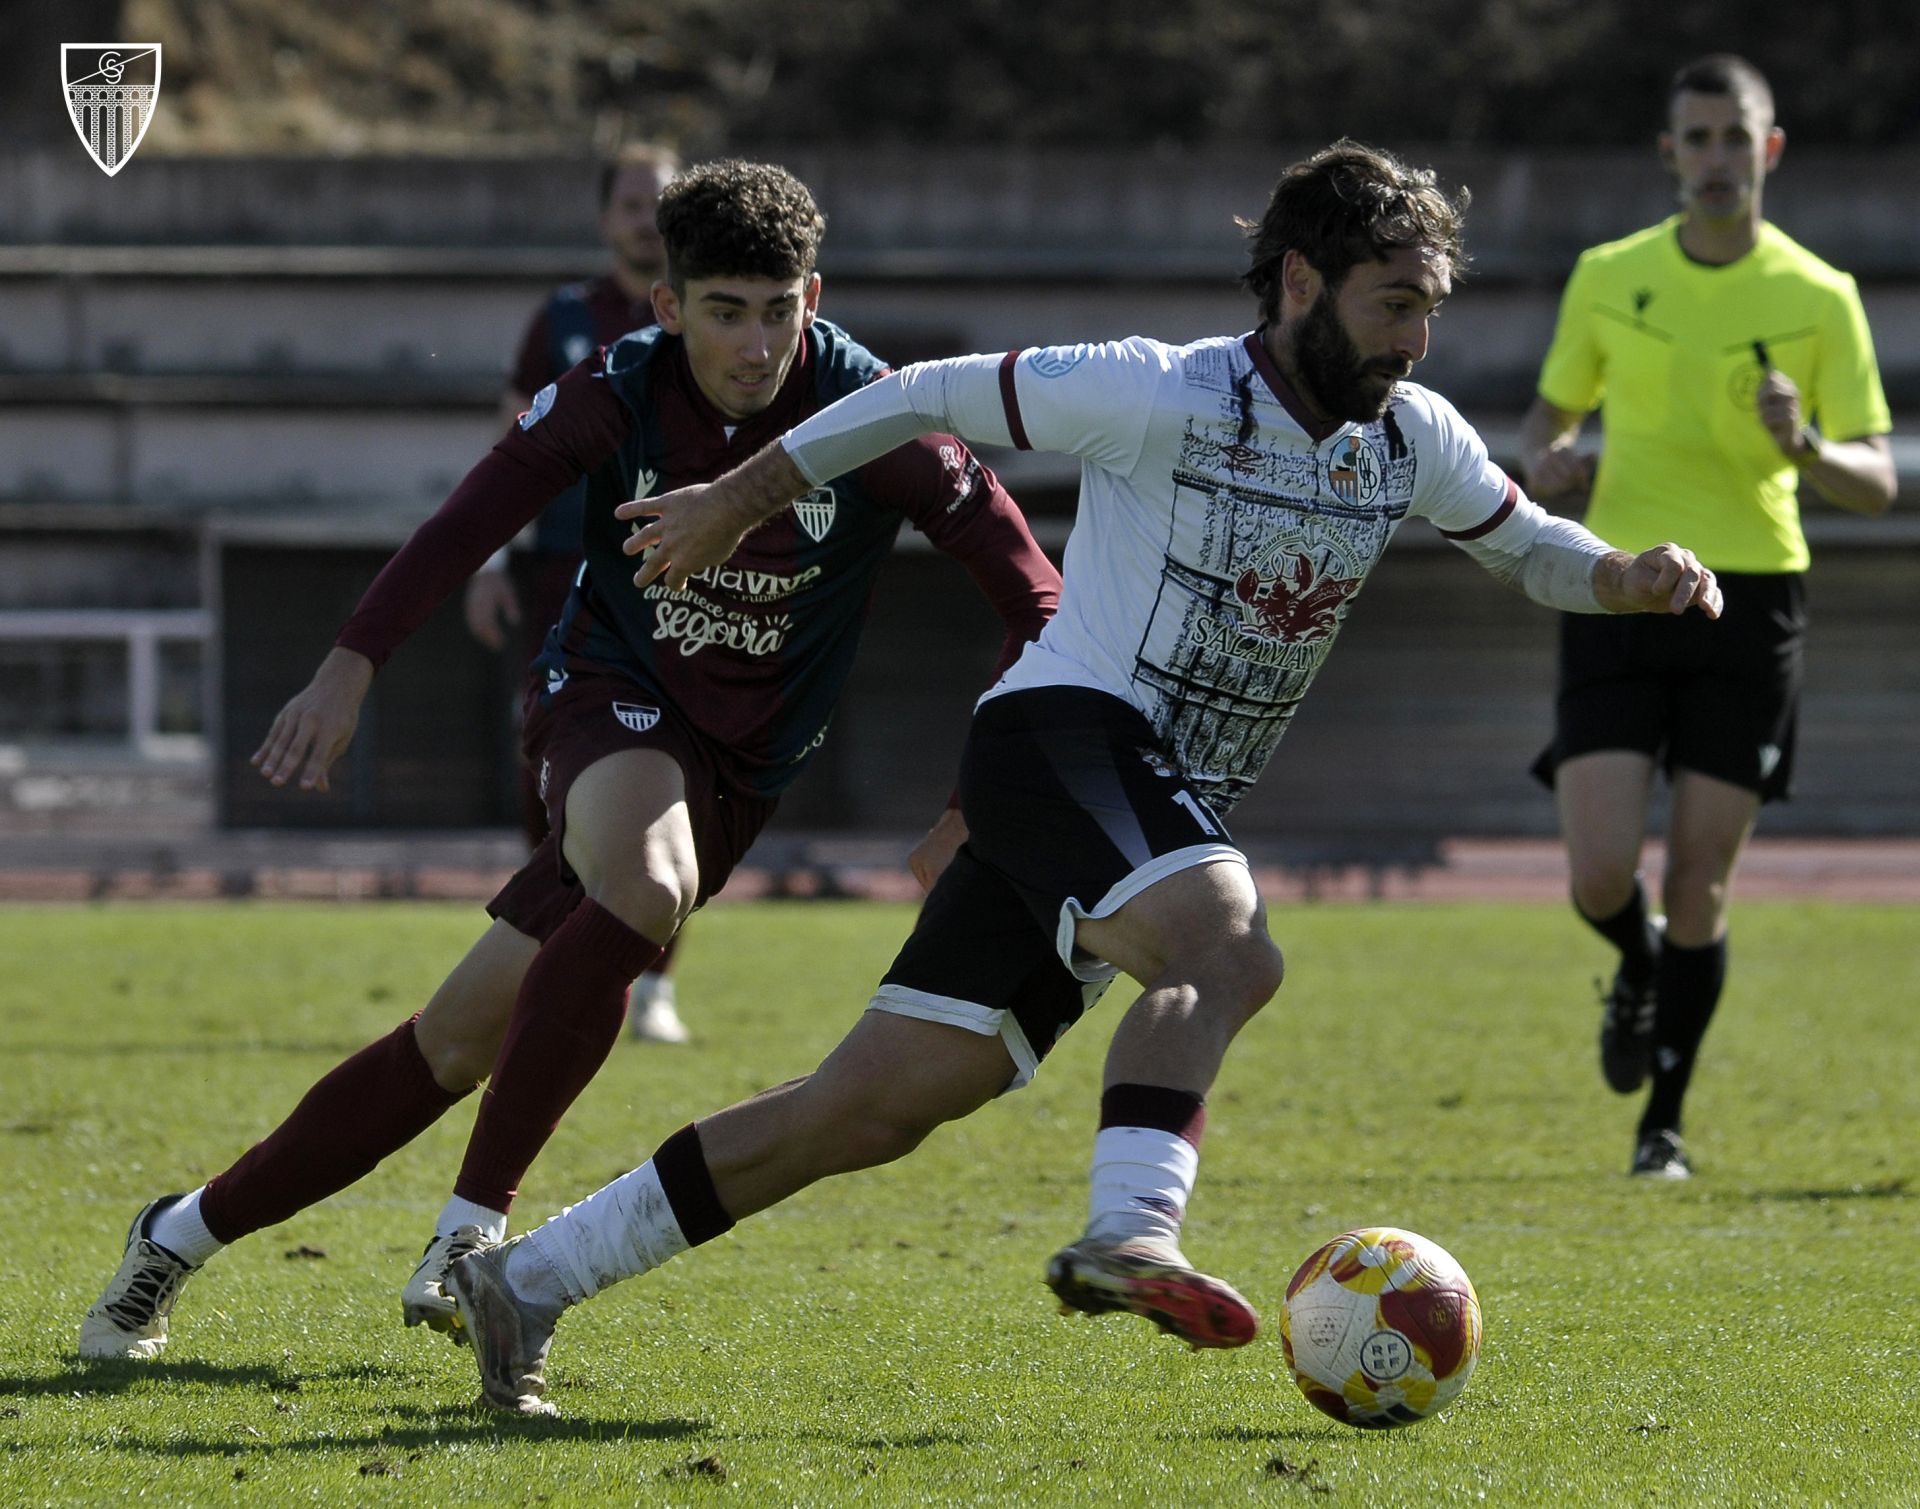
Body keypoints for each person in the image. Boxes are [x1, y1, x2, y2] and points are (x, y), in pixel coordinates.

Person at [436, 140, 1724, 1417]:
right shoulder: (1156, 391)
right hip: (1066, 736)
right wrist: (742, 494)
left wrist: (1626, 574)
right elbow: (923, 393)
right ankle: (1131, 1232)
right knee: (1229, 952)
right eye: (1395, 304)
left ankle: (528, 1282)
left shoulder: (1409, 438)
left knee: (867, 1109)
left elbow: (1528, 546)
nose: (1417, 341)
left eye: (1430, 309)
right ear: (1298, 283)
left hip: (1137, 799)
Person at [77, 160, 1061, 1363]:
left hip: (745, 768)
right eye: (723, 311)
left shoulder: (876, 410)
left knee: (450, 1043)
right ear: (665, 306)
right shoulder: (616, 389)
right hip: (606, 699)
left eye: (777, 310)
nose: (755, 345)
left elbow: (1036, 599)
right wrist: (350, 663)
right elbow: (467, 520)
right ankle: (469, 1235)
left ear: (815, 295)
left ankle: (174, 1236)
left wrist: (979, 793)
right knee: (648, 894)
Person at [1518, 56, 1896, 1181]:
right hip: (1626, 581)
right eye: (1699, 138)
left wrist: (1807, 447)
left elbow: (1874, 477)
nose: (1719, 159)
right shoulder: (1608, 274)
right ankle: (1636, 970)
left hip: (1755, 596)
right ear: (1669, 154)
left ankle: (1661, 1127)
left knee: (1698, 883)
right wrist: (1552, 462)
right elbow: (1548, 422)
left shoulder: (1820, 294)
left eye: (1738, 137)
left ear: (1770, 150)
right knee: (1598, 875)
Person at [473, 142, 694, 1043]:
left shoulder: (713, 314)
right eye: (633, 203)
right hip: (562, 574)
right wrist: (490, 564)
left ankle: (654, 987)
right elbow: (508, 454)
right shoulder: (561, 319)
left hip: (672, 572)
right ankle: (555, 952)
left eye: (662, 202)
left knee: (679, 772)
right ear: (606, 218)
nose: (647, 218)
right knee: (547, 771)